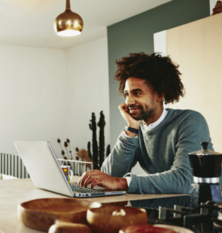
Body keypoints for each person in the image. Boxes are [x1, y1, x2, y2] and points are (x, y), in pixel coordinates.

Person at [78, 52, 213, 194]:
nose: (128, 102)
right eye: (126, 94)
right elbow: (108, 177)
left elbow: (185, 181)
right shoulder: (137, 130)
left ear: (160, 95)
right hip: (160, 209)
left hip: (200, 212)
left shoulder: (190, 121)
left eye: (137, 93)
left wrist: (120, 182)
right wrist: (131, 130)